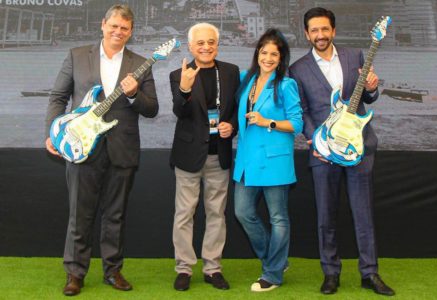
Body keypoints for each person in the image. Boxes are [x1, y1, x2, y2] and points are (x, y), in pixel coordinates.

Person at [45, 4, 158, 296]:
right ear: (103, 25)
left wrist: (134, 94)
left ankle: (113, 271)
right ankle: (75, 272)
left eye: (125, 28)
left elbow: (152, 108)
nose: (118, 32)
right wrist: (53, 133)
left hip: (122, 148)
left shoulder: (141, 63)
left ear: (131, 32)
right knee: (79, 214)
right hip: (82, 145)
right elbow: (58, 97)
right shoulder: (77, 55)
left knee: (115, 215)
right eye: (114, 26)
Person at [289, 7, 394, 296]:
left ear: (333, 31)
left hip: (358, 147)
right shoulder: (297, 69)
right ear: (307, 34)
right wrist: (317, 142)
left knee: (363, 214)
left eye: (325, 29)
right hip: (324, 153)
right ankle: (330, 273)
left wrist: (372, 87)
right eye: (314, 30)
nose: (320, 35)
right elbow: (303, 112)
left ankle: (370, 273)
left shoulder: (354, 56)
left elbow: (367, 96)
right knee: (326, 216)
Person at [169, 23, 239, 291]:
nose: (206, 47)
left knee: (216, 214)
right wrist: (185, 89)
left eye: (211, 42)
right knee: (184, 214)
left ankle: (213, 268)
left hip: (218, 155)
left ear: (217, 45)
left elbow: (236, 108)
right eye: (200, 43)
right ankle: (184, 268)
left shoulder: (231, 72)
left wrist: (231, 125)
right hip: (188, 156)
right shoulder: (179, 74)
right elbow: (179, 111)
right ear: (190, 46)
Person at [233, 28, 303, 292]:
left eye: (275, 53)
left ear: (281, 57)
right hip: (247, 161)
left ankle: (272, 274)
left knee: (278, 218)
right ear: (257, 53)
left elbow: (297, 124)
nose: (269, 57)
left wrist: (268, 122)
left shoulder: (286, 84)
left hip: (275, 162)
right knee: (243, 212)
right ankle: (276, 260)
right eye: (264, 52)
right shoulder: (245, 80)